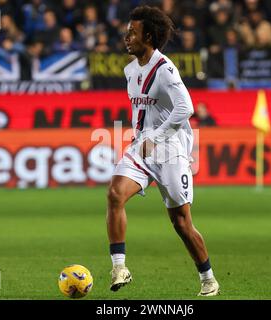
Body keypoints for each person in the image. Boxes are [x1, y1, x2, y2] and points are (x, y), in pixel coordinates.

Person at [106, 5, 220, 297]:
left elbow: (186, 108)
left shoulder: (165, 69)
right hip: (142, 147)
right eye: (127, 31)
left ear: (149, 36)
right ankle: (119, 266)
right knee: (115, 194)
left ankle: (208, 278)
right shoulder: (130, 70)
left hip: (169, 151)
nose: (127, 36)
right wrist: (144, 140)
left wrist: (155, 138)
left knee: (181, 223)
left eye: (133, 32)